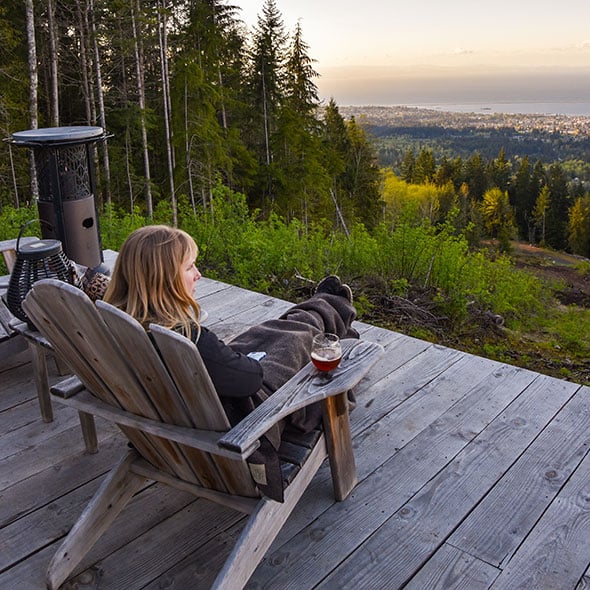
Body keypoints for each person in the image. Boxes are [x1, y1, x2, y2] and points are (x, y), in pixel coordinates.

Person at [103, 224, 358, 500]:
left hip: (177, 425)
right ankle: (329, 306)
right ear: (162, 279)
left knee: (266, 332)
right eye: (190, 268)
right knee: (297, 338)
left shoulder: (115, 328)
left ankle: (325, 312)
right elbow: (251, 380)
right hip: (240, 422)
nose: (198, 274)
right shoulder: (188, 339)